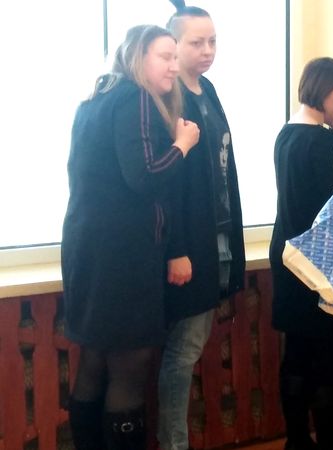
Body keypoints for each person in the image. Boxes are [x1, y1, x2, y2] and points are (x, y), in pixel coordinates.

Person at [62, 24, 199, 450]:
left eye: (175, 57)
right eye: (165, 56)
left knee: (95, 360)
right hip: (123, 254)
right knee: (129, 368)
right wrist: (182, 144)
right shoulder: (134, 96)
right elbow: (144, 177)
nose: (174, 66)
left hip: (86, 248)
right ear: (138, 58)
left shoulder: (94, 99)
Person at [157, 4, 247, 449]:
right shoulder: (168, 96)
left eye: (213, 41)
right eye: (197, 42)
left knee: (193, 346)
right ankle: (174, 443)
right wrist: (176, 247)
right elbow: (165, 183)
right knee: (183, 350)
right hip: (189, 242)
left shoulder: (207, 89)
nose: (208, 50)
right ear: (173, 45)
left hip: (218, 236)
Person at [271, 57, 333, 450]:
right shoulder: (323, 144)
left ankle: (296, 439)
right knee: (327, 355)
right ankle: (330, 442)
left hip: (288, 254)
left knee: (297, 352)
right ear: (321, 90)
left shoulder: (286, 135)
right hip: (321, 259)